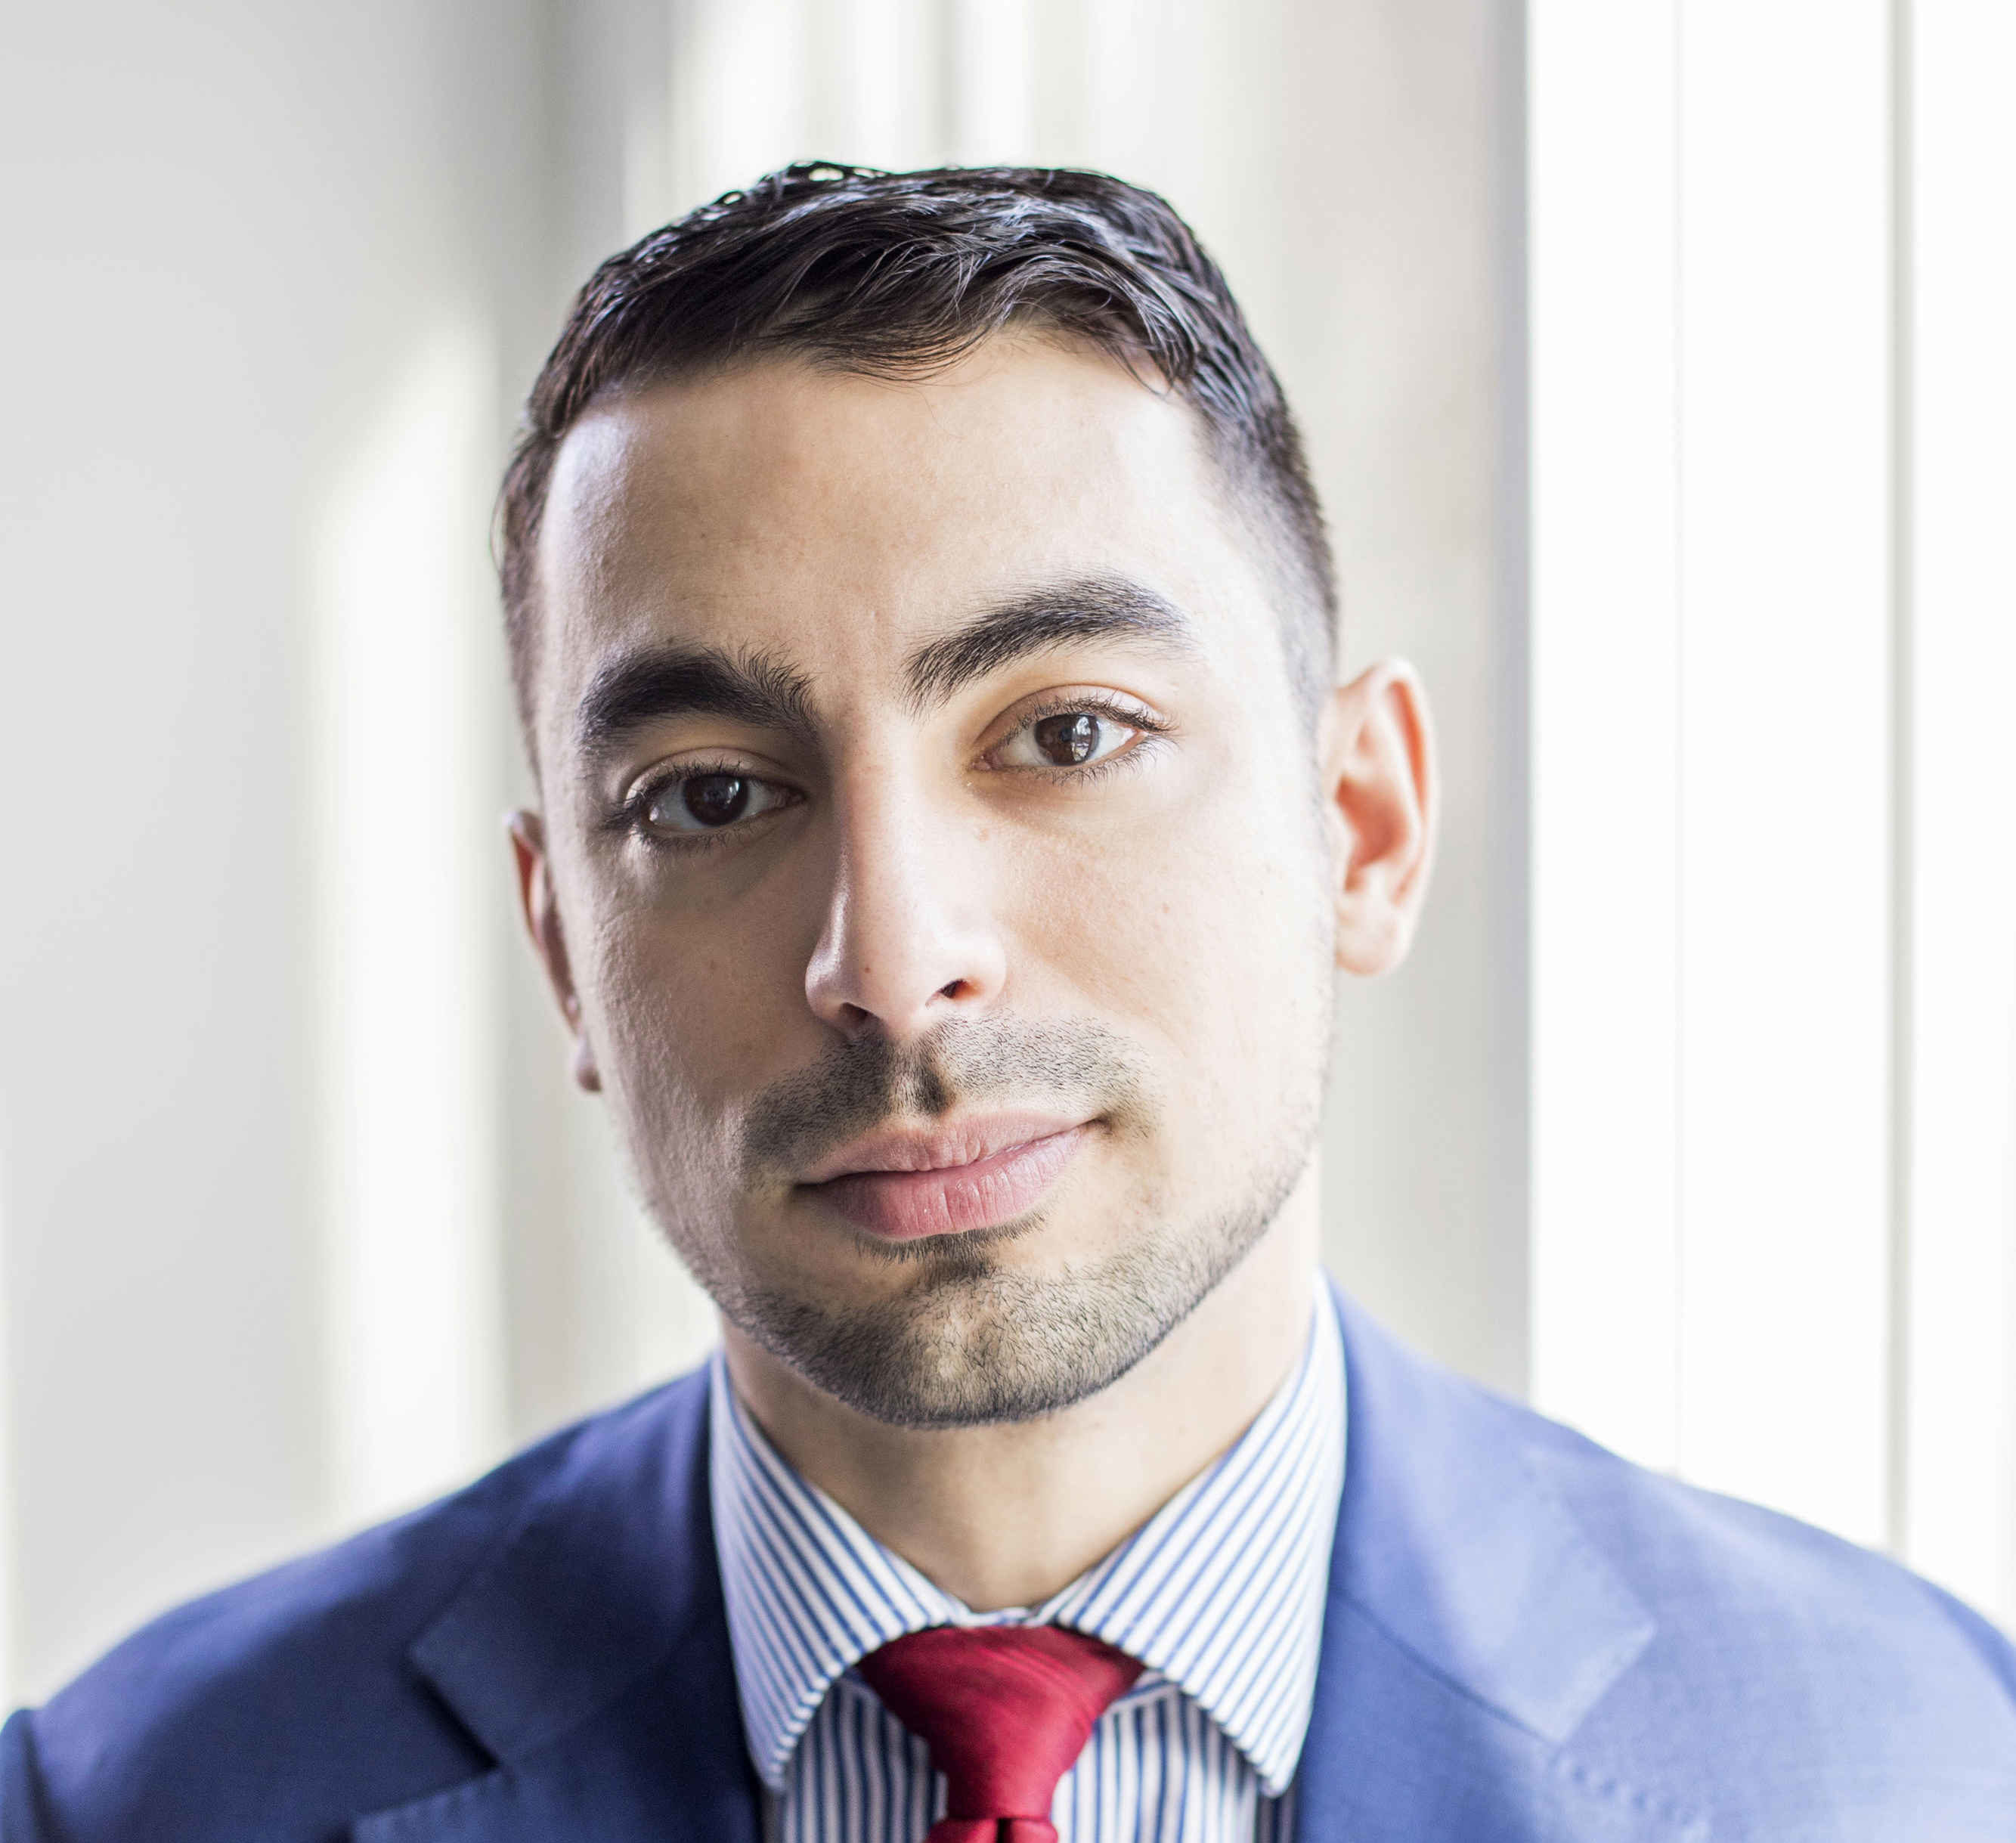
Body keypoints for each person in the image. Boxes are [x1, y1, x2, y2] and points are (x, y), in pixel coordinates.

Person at [4, 163, 2011, 1843]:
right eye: (710, 798)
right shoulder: (125, 1805)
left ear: (1361, 826)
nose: (889, 962)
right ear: (562, 951)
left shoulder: (1924, 1773)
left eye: (1066, 734)